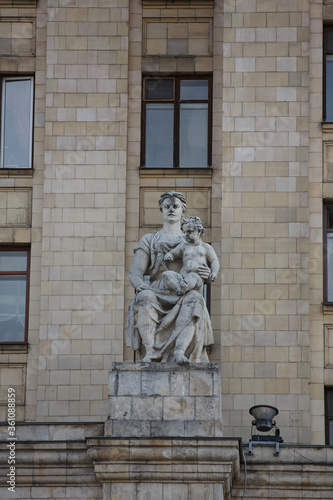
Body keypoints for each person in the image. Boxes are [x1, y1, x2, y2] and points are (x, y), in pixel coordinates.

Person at [126, 191, 216, 364]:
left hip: (184, 290)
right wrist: (140, 285)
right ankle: (151, 351)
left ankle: (179, 351)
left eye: (176, 206)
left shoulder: (193, 240)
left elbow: (204, 266)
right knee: (144, 297)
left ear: (183, 211)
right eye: (167, 206)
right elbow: (135, 271)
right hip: (157, 290)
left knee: (196, 299)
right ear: (161, 210)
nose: (171, 210)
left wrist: (207, 275)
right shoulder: (149, 239)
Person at [162, 216, 219, 295]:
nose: (186, 234)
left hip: (197, 279)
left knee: (192, 276)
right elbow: (173, 253)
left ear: (199, 231)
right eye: (185, 232)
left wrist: (214, 273)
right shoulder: (184, 246)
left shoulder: (206, 247)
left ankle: (183, 288)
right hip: (182, 278)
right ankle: (179, 289)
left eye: (189, 232)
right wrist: (169, 255)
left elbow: (214, 260)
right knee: (166, 274)